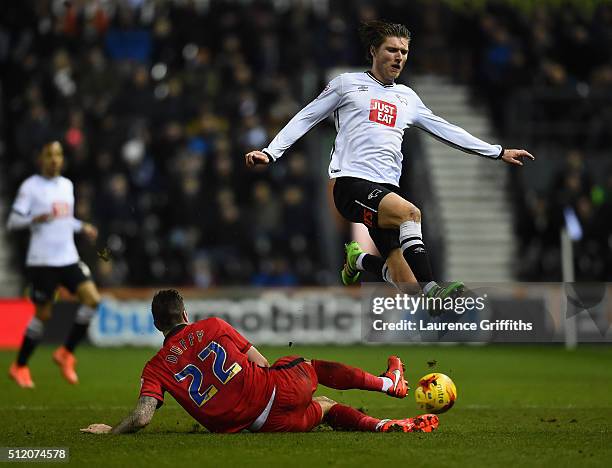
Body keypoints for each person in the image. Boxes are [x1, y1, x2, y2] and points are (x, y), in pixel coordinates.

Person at [245, 20, 534, 298]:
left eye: (404, 52)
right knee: (411, 214)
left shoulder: (407, 97)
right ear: (373, 51)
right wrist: (271, 151)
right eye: (392, 50)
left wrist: (497, 151)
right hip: (350, 183)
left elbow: (446, 130)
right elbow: (307, 116)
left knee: (407, 285)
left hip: (386, 191)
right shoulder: (347, 84)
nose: (399, 57)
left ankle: (358, 262)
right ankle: (433, 289)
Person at [80, 289, 439, 434]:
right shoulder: (213, 325)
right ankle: (389, 384)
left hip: (265, 425)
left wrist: (112, 432)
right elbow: (262, 360)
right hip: (274, 392)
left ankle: (380, 426)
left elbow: (143, 417)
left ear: (157, 325)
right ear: (185, 313)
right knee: (303, 364)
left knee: (326, 407)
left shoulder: (155, 367)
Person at [7, 141, 102, 388]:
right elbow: (13, 221)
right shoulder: (30, 187)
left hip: (67, 257)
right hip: (42, 261)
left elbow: (65, 219)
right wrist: (32, 219)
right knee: (44, 315)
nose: (54, 159)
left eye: (58, 154)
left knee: (92, 299)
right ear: (40, 158)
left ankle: (65, 353)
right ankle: (19, 366)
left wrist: (83, 227)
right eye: (49, 154)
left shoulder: (67, 185)